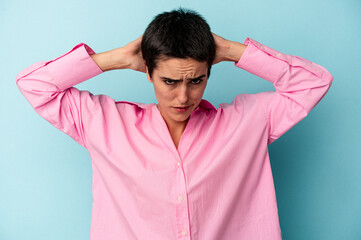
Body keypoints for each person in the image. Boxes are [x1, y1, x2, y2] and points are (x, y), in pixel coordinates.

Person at [16, 7, 333, 240]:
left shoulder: (248, 121)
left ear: (209, 72)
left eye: (196, 80)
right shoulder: (103, 123)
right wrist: (114, 59)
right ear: (147, 72)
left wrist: (232, 50)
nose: (183, 96)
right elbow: (34, 85)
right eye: (169, 81)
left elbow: (314, 83)